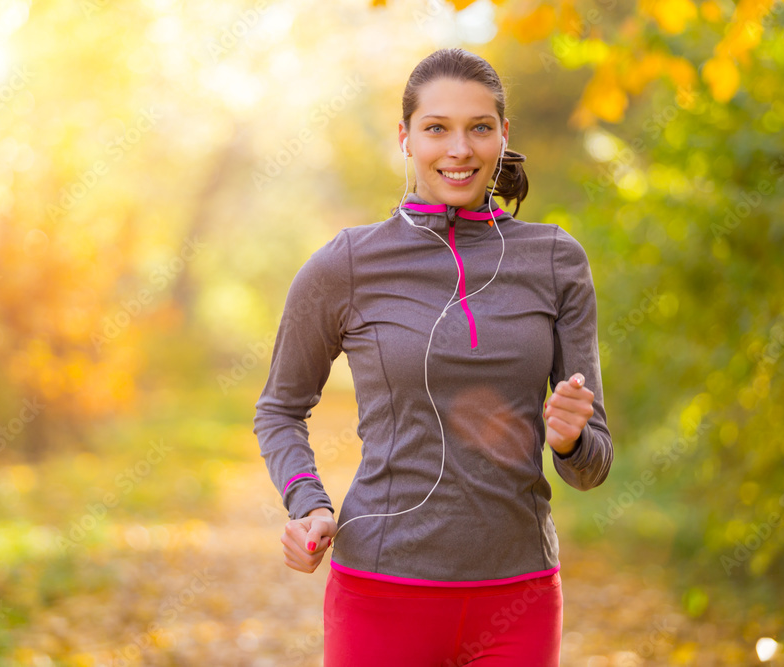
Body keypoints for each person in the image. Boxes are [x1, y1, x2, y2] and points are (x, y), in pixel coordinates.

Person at [253, 47, 613, 666]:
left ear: (504, 135)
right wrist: (309, 503)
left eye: (479, 127)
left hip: (518, 594)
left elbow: (591, 467)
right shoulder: (348, 264)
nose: (459, 149)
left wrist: (569, 440)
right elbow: (280, 409)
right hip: (381, 591)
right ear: (405, 138)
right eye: (436, 128)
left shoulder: (556, 261)